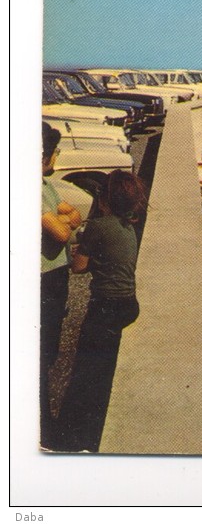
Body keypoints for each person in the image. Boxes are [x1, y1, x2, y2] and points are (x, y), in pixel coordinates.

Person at [59, 170, 147, 452]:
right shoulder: (128, 226)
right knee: (102, 369)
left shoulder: (98, 226)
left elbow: (78, 267)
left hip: (107, 307)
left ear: (105, 199)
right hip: (128, 303)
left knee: (87, 372)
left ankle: (76, 439)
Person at [40, 122, 82, 449]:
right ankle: (42, 429)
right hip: (43, 281)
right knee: (39, 356)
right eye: (55, 151)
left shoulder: (47, 185)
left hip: (55, 278)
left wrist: (61, 218)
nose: (57, 156)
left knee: (49, 350)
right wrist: (61, 220)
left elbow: (74, 215)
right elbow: (62, 233)